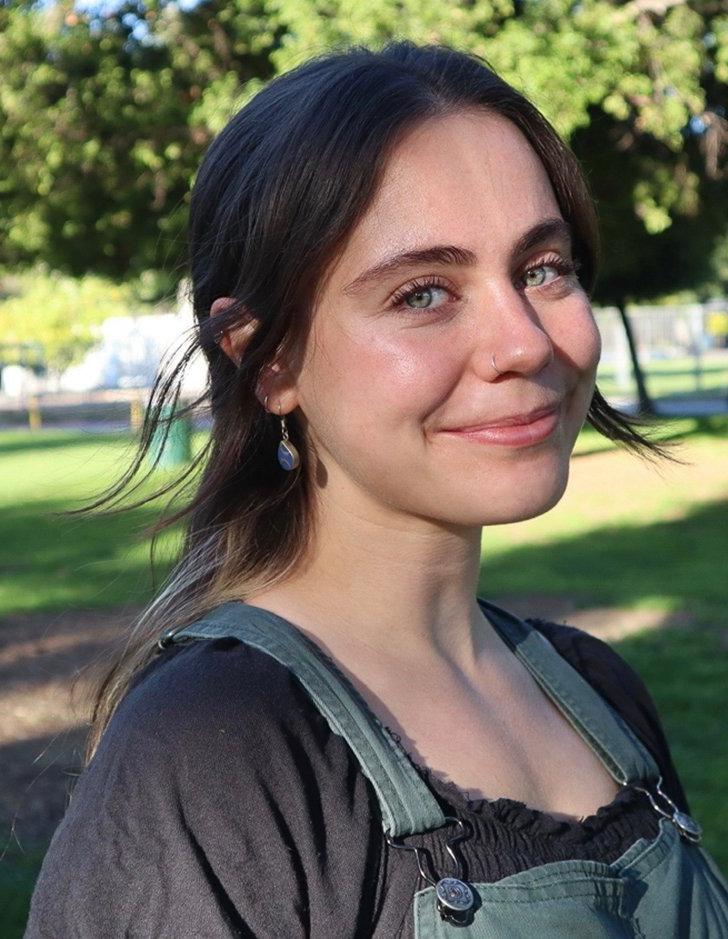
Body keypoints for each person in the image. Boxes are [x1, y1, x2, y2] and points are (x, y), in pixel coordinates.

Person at [26, 40, 728, 938]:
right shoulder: (217, 745)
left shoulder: (596, 690)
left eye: (542, 268)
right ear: (268, 361)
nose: (524, 342)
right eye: (425, 293)